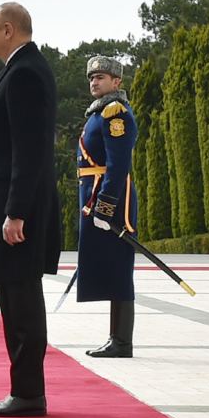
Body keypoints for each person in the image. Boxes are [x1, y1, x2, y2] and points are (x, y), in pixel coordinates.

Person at [0, 2, 61, 417]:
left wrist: (16, 212)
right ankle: (24, 389)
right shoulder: (19, 69)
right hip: (11, 204)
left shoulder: (25, 73)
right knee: (14, 296)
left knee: (22, 300)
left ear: (8, 30)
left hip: (17, 210)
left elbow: (29, 151)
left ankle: (28, 393)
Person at [77, 55, 139, 358]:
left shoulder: (116, 113)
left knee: (118, 268)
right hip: (94, 194)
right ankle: (116, 338)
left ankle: (122, 342)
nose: (94, 82)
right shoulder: (98, 113)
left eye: (100, 77)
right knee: (110, 266)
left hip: (109, 198)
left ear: (116, 82)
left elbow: (118, 164)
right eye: (91, 78)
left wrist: (106, 205)